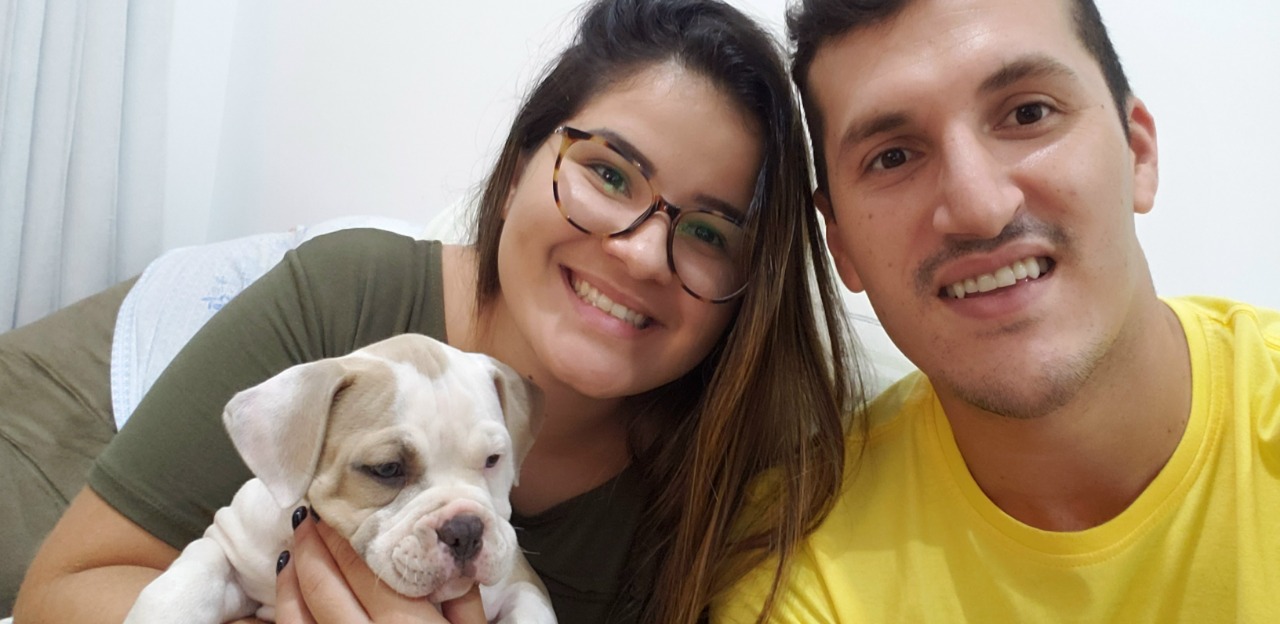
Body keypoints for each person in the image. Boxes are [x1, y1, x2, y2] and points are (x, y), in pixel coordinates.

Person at [11, 0, 866, 622]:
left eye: (710, 231)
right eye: (608, 173)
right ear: (522, 161)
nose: (642, 252)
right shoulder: (346, 300)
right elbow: (59, 593)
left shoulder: (749, 467)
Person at [713, 0, 1280, 621]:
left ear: (1138, 152)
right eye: (893, 157)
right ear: (840, 244)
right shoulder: (796, 565)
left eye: (1028, 113)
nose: (979, 206)